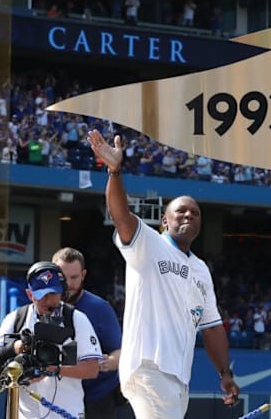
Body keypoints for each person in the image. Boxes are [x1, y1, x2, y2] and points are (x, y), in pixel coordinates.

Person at [87, 129, 239, 418]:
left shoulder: (200, 269)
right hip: (149, 367)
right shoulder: (150, 244)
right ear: (165, 220)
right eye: (181, 211)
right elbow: (121, 216)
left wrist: (224, 372)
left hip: (177, 376)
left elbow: (213, 327)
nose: (188, 216)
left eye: (194, 214)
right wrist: (115, 172)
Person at [0, 261, 102, 419]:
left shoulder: (76, 319)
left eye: (53, 293)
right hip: (26, 414)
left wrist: (53, 369)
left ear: (61, 292)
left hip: (67, 412)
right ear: (30, 294)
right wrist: (16, 348)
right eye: (42, 295)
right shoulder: (17, 319)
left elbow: (92, 369)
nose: (49, 300)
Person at [51, 247, 126, 419]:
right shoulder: (41, 304)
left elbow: (120, 351)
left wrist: (110, 362)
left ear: (83, 275)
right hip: (53, 395)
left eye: (74, 277)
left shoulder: (100, 309)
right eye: (63, 277)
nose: (68, 284)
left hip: (95, 399)